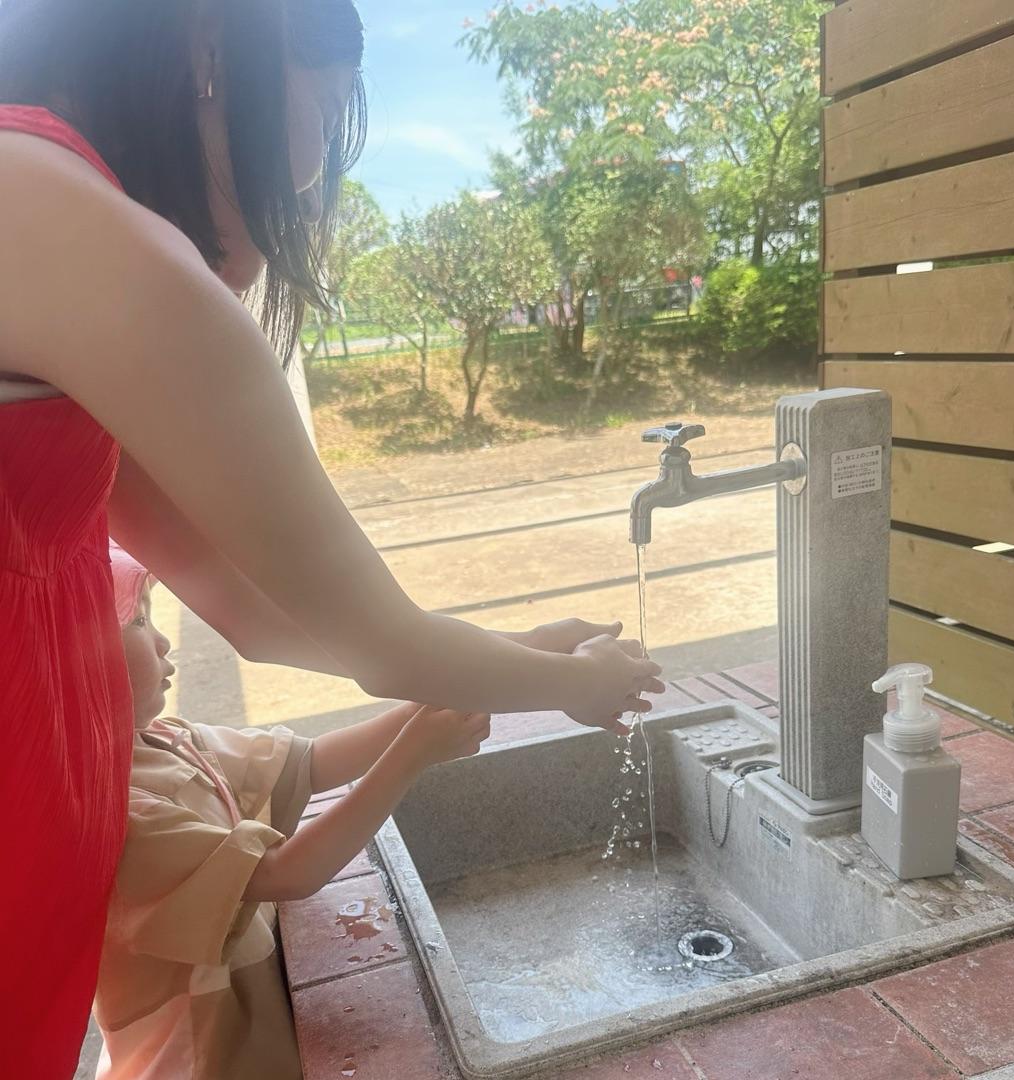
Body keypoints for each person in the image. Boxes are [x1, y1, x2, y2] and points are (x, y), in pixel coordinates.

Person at [0, 1, 661, 1074]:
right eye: (308, 148)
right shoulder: (63, 218)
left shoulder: (49, 220)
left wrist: (521, 655)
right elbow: (380, 643)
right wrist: (574, 686)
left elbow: (265, 616)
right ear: (213, 49)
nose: (290, 217)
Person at [96, 545, 482, 1079]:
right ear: (70, 662)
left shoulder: (167, 739)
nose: (163, 641)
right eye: (138, 622)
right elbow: (287, 872)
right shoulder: (119, 814)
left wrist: (437, 701)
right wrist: (412, 755)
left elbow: (310, 761)